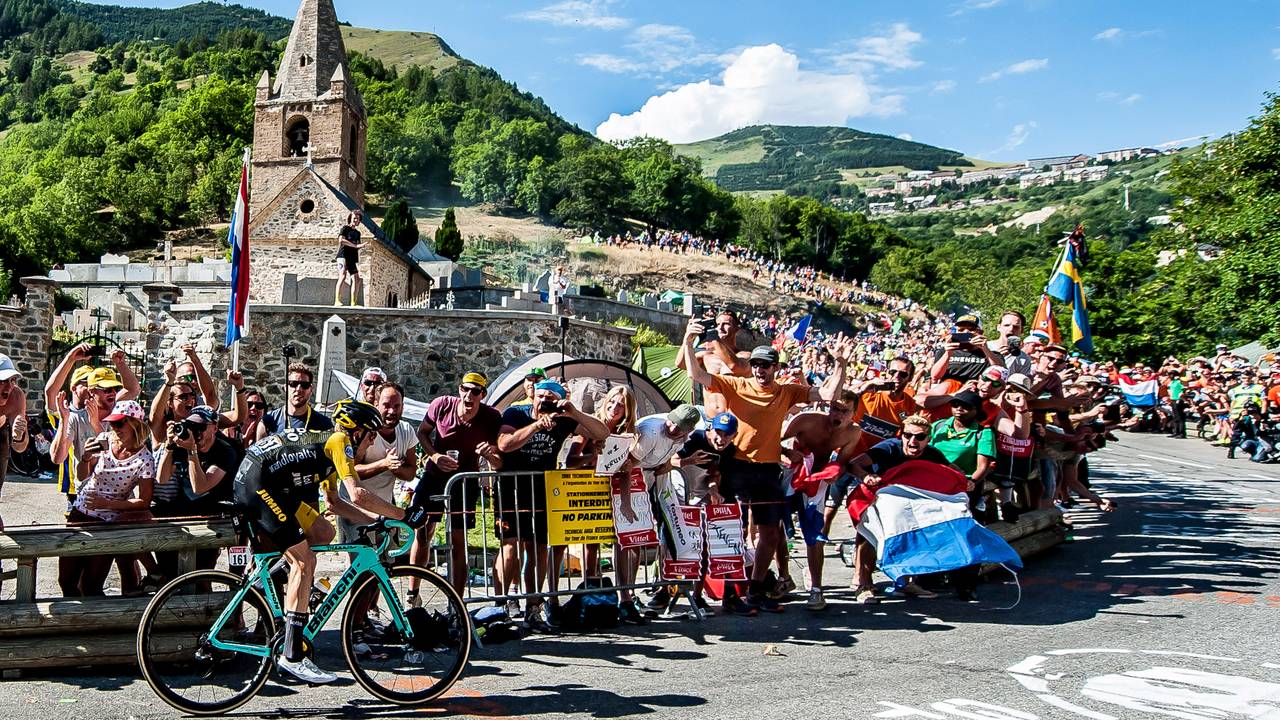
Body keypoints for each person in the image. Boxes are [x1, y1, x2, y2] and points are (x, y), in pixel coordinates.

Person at [233, 400, 414, 684]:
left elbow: (334, 502)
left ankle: (272, 577)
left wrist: (374, 521)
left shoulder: (331, 445)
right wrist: (403, 514)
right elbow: (357, 494)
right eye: (371, 436)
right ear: (358, 432)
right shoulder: (340, 440)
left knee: (323, 533)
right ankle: (292, 656)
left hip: (273, 485)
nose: (372, 442)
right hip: (258, 486)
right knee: (305, 562)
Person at [681, 319, 852, 615]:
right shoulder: (736, 383)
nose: (761, 370)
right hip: (736, 464)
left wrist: (841, 363)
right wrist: (687, 339)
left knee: (770, 533)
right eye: (757, 364)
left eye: (767, 365)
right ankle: (724, 591)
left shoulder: (787, 391)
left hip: (768, 469)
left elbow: (828, 395)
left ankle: (756, 590)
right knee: (725, 529)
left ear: (776, 368)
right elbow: (697, 374)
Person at [495, 379, 608, 630]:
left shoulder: (564, 418)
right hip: (511, 487)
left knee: (537, 548)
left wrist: (574, 412)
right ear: (533, 396)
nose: (544, 401)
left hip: (542, 487)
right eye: (541, 396)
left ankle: (533, 607)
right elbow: (504, 444)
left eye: (550, 398)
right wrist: (535, 426)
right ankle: (499, 606)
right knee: (510, 547)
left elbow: (602, 433)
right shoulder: (516, 412)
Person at [844, 414, 957, 603]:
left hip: (906, 505)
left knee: (912, 537)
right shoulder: (888, 448)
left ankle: (904, 582)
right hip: (877, 499)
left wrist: (966, 481)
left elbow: (953, 471)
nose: (913, 441)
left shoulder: (932, 453)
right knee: (868, 536)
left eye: (919, 437)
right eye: (907, 436)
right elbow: (853, 464)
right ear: (901, 435)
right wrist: (866, 476)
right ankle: (862, 583)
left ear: (928, 439)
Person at [413, 372, 504, 597]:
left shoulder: (491, 417)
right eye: (465, 389)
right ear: (459, 390)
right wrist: (434, 456)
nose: (469, 395)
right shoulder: (442, 405)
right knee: (422, 533)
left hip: (464, 482)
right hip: (434, 477)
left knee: (458, 540)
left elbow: (499, 460)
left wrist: (488, 454)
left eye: (475, 391)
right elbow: (422, 432)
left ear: (482, 395)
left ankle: (457, 602)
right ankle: (412, 594)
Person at [612, 404, 700, 624]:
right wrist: (625, 501)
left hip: (651, 480)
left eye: (679, 427)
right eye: (672, 422)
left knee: (642, 539)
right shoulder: (652, 432)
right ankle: (626, 595)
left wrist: (667, 464)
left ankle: (631, 593)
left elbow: (669, 453)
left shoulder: (683, 436)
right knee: (629, 539)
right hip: (631, 480)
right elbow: (626, 464)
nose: (672, 427)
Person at [780, 391, 862, 611]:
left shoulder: (853, 433)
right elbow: (772, 439)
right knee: (775, 529)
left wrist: (834, 470)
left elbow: (842, 461)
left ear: (854, 414)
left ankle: (816, 589)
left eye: (844, 411)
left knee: (814, 535)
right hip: (788, 473)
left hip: (817, 480)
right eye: (834, 408)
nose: (837, 414)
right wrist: (787, 452)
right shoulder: (807, 420)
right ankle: (784, 577)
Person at [65, 400, 155, 597]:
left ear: (135, 424)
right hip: (80, 512)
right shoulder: (105, 439)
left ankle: (93, 622)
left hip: (107, 520)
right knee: (66, 578)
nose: (114, 428)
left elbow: (144, 502)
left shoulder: (144, 459)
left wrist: (108, 504)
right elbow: (81, 475)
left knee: (91, 582)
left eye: (119, 423)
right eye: (112, 423)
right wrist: (86, 457)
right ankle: (71, 622)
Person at [823, 356, 919, 536]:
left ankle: (862, 542)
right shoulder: (869, 393)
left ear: (909, 378)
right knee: (831, 505)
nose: (896, 377)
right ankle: (822, 537)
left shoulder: (909, 404)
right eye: (893, 372)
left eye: (902, 374)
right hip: (846, 455)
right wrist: (862, 389)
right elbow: (841, 402)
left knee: (867, 506)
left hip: (872, 462)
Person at [155, 406, 244, 577]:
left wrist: (192, 452)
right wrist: (169, 446)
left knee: (204, 573)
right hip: (188, 510)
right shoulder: (184, 443)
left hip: (220, 514)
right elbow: (162, 478)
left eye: (201, 427)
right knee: (171, 571)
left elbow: (200, 487)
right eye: (192, 426)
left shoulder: (225, 450)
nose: (197, 433)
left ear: (215, 428)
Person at [676, 310, 748, 415]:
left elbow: (734, 366)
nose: (720, 327)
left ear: (737, 328)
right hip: (711, 418)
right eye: (717, 324)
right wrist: (687, 340)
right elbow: (681, 364)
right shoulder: (707, 355)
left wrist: (713, 336)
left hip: (737, 418)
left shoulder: (744, 356)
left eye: (726, 324)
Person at [257, 363, 334, 439]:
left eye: (304, 385)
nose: (299, 389)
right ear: (285, 387)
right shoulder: (268, 421)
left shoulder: (324, 424)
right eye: (293, 384)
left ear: (311, 389)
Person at [0, 354, 30, 528]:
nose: (9, 386)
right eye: (3, 380)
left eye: (12, 380)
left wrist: (19, 435)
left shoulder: (16, 396)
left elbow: (20, 448)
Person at [335, 209, 369, 307]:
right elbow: (341, 241)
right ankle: (337, 300)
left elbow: (357, 245)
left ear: (359, 221)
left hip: (351, 258)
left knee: (356, 278)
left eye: (357, 219)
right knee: (342, 275)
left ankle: (353, 303)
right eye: (354, 218)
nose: (355, 220)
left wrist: (361, 246)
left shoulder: (358, 233)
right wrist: (356, 246)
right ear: (350, 218)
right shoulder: (345, 228)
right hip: (343, 255)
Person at [987, 311, 1033, 376]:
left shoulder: (1024, 359)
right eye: (1007, 325)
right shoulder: (986, 347)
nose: (1011, 329)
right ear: (998, 327)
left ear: (1022, 330)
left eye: (1016, 327)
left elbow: (1018, 384)